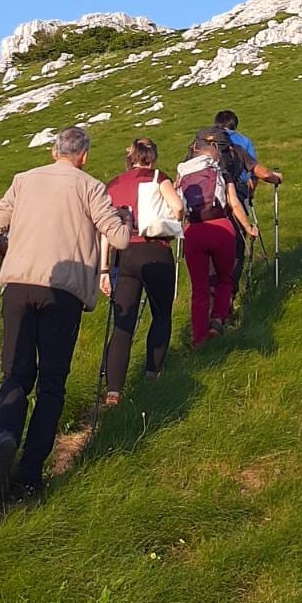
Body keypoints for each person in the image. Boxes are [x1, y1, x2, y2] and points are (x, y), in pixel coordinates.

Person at [0, 126, 131, 500]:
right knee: (52, 383)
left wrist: (12, 249)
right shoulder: (91, 187)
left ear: (54, 151)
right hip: (63, 293)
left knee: (15, 373)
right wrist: (125, 221)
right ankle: (29, 474)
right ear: (84, 156)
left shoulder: (23, 180)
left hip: (18, 285)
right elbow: (119, 238)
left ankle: (5, 436)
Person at [99, 139, 185, 405]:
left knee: (123, 324)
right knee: (161, 314)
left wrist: (104, 268)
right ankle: (152, 374)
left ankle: (114, 389)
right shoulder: (159, 178)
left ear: (130, 159)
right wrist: (173, 220)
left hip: (123, 254)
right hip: (154, 250)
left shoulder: (113, 184)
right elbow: (178, 208)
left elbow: (105, 229)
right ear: (153, 158)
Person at [176, 130, 258, 348]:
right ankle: (218, 320)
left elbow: (177, 206)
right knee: (225, 278)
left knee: (199, 288)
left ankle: (198, 337)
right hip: (221, 227)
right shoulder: (220, 172)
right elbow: (234, 203)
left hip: (194, 230)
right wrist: (248, 227)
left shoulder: (183, 174)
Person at [212, 110, 284, 293]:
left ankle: (213, 292)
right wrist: (251, 193)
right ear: (235, 125)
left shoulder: (205, 142)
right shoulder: (243, 141)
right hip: (237, 194)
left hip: (208, 201)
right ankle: (229, 293)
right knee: (237, 244)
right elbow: (255, 173)